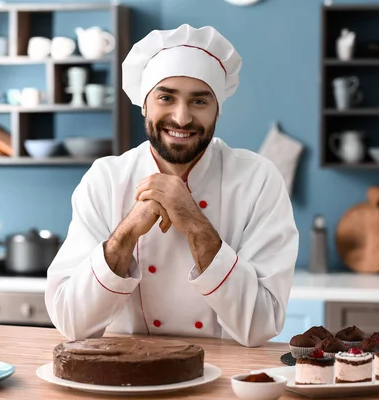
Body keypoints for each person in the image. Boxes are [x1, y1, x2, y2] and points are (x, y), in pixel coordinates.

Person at [44, 24, 299, 347]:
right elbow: (71, 323)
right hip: (128, 377)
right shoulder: (106, 179)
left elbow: (261, 325)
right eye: (166, 97)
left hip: (221, 375)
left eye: (199, 102)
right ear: (144, 105)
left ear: (217, 109)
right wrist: (126, 234)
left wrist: (193, 221)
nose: (181, 118)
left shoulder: (257, 179)